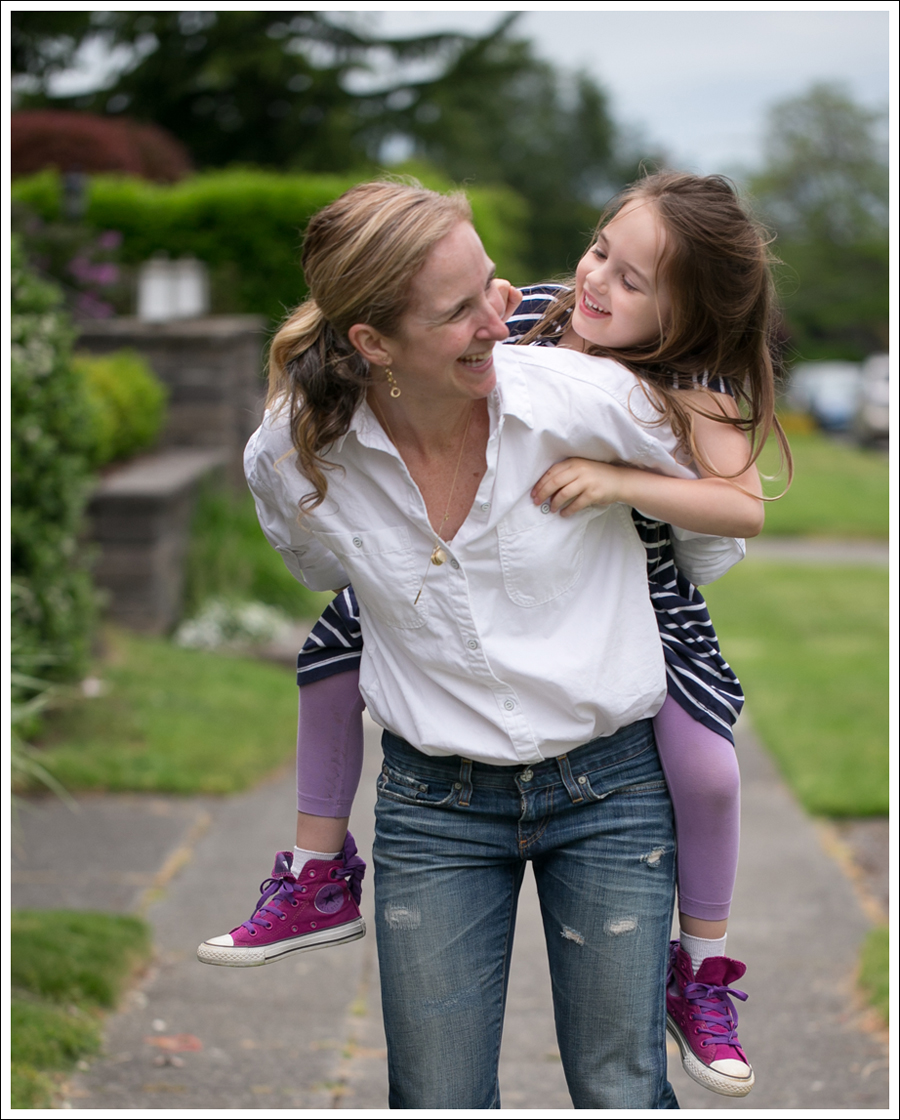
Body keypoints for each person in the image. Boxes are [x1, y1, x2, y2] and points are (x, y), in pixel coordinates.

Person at [200, 176, 774, 1108]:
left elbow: (724, 530)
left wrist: (623, 488)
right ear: (372, 342)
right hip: (434, 797)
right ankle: (315, 869)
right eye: (460, 309)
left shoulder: (626, 393)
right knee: (435, 1094)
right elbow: (321, 563)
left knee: (624, 1080)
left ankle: (701, 966)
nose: (500, 320)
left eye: (490, 288)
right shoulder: (299, 447)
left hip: (615, 757)